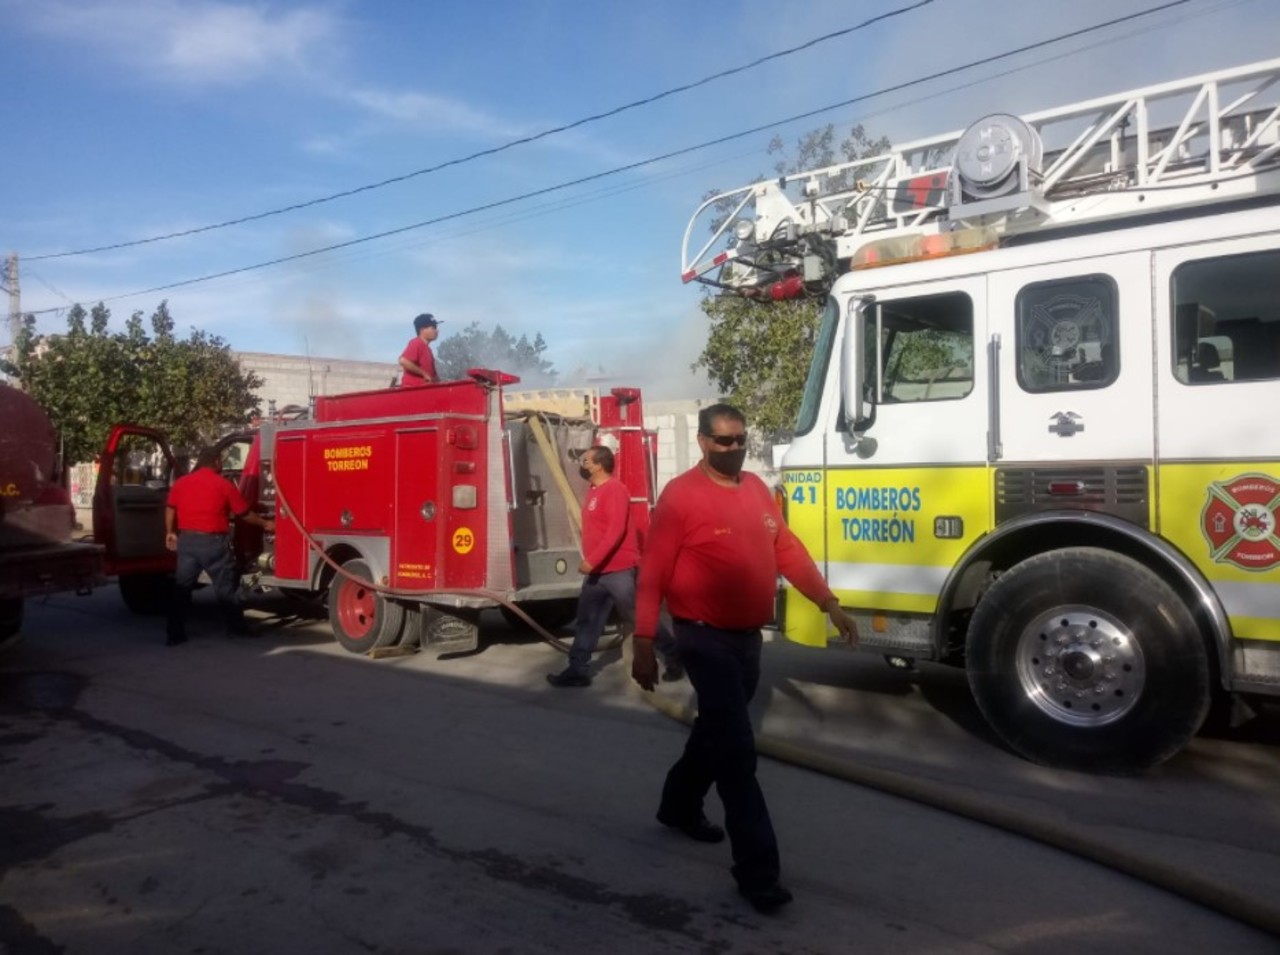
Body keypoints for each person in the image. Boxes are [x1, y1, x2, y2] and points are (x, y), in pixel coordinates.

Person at [632, 403, 856, 914]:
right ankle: (758, 873)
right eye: (724, 441)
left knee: (714, 732)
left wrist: (828, 602)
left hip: (747, 640)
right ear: (704, 442)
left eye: (740, 440)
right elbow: (653, 572)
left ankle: (677, 805)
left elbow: (788, 549)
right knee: (736, 752)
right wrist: (643, 641)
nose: (734, 449)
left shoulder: (756, 489)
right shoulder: (680, 497)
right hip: (702, 638)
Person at [547, 445, 681, 687]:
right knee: (587, 621)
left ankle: (674, 657)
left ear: (599, 465)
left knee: (639, 617)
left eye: (586, 460)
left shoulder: (615, 490)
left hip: (618, 570)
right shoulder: (594, 491)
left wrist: (592, 560)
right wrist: (594, 562)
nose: (582, 464)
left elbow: (615, 531)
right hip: (598, 572)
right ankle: (577, 670)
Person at [164, 447, 275, 646]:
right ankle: (236, 629)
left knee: (182, 588)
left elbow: (170, 507)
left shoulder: (181, 483)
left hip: (187, 542)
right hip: (213, 544)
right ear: (216, 462)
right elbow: (243, 513)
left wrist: (170, 532)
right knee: (226, 589)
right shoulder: (223, 485)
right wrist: (265, 523)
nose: (222, 465)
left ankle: (175, 634)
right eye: (221, 461)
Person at [399, 313, 442, 386]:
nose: (437, 331)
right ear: (422, 330)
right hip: (413, 390)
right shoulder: (417, 343)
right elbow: (403, 361)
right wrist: (423, 373)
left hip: (425, 390)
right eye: (433, 327)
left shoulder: (429, 350)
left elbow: (434, 377)